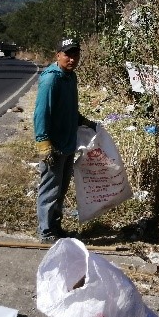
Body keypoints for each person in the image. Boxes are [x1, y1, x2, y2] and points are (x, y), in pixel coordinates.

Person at [33, 38, 96, 244]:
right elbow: (41, 113)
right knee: (50, 189)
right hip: (54, 145)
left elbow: (69, 108)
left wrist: (84, 121)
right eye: (67, 54)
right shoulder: (52, 79)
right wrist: (43, 143)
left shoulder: (70, 78)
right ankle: (45, 231)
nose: (72, 59)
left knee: (61, 189)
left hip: (68, 143)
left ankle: (55, 226)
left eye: (75, 54)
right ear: (57, 55)